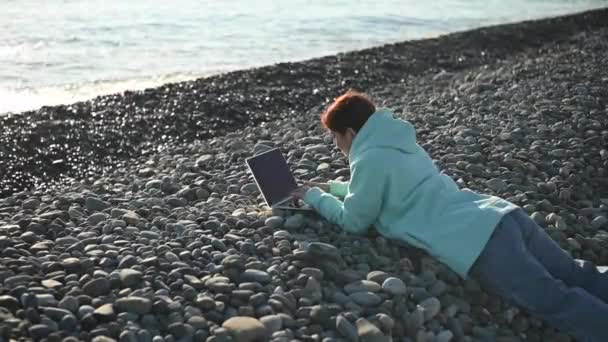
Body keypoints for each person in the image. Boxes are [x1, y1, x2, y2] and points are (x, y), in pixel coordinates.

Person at [291, 90, 608, 342]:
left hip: (479, 241)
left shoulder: (369, 159)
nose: (335, 145)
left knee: (553, 299)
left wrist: (314, 197)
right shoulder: (400, 142)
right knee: (577, 274)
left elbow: (354, 220)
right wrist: (332, 186)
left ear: (349, 132)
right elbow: (384, 190)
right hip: (499, 214)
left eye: (335, 137)